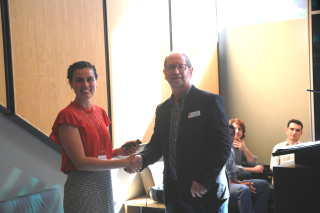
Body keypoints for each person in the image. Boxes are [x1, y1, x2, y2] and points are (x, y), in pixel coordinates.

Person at [127, 52, 232, 212]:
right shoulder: (162, 109)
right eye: (170, 67)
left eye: (180, 66)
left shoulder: (209, 101)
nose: (175, 71)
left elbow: (223, 145)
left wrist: (203, 179)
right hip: (174, 193)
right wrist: (141, 159)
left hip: (205, 191)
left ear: (190, 70)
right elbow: (156, 145)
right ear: (164, 74)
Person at [49, 61, 142, 213]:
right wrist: (125, 163)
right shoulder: (67, 115)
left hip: (104, 185)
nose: (85, 84)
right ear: (71, 83)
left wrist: (117, 153)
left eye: (89, 79)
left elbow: (96, 155)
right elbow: (81, 163)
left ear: (96, 82)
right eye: (79, 80)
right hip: (82, 189)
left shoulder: (100, 112)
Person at [227, 124, 270, 213]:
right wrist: (241, 184)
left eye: (232, 134)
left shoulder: (231, 151)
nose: (236, 133)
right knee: (245, 184)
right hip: (224, 184)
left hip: (234, 180)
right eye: (228, 133)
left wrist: (245, 149)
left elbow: (253, 163)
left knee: (264, 184)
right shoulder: (217, 151)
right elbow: (224, 177)